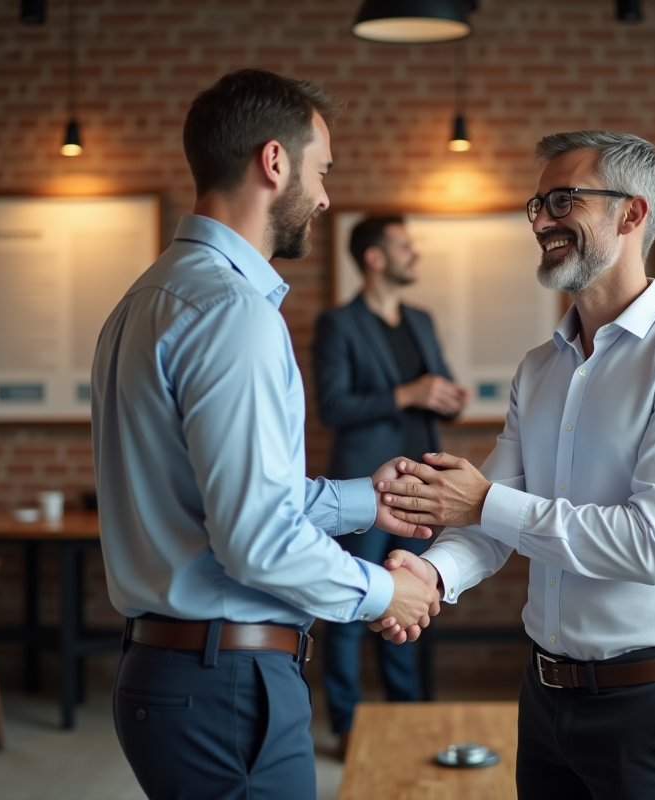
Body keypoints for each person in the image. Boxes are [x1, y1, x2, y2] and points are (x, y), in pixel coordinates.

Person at [372, 130, 655, 800]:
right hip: (545, 699)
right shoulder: (540, 368)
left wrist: (483, 503)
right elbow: (494, 517)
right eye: (537, 205)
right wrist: (432, 572)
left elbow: (648, 545)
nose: (542, 220)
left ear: (632, 214)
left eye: (562, 200)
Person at [89, 69, 438, 800]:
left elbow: (227, 504)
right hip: (226, 684)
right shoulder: (231, 311)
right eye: (323, 171)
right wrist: (383, 593)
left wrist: (360, 503)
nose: (325, 196)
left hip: (182, 673)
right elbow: (254, 538)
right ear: (274, 163)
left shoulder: (147, 296)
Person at [313, 215, 467, 756]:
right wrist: (409, 393)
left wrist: (446, 395)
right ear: (375, 257)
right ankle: (347, 725)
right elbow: (332, 407)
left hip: (420, 486)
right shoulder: (338, 323)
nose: (414, 254)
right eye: (404, 245)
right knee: (352, 607)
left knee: (413, 600)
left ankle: (407, 718)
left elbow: (435, 385)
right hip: (366, 492)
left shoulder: (421, 320)